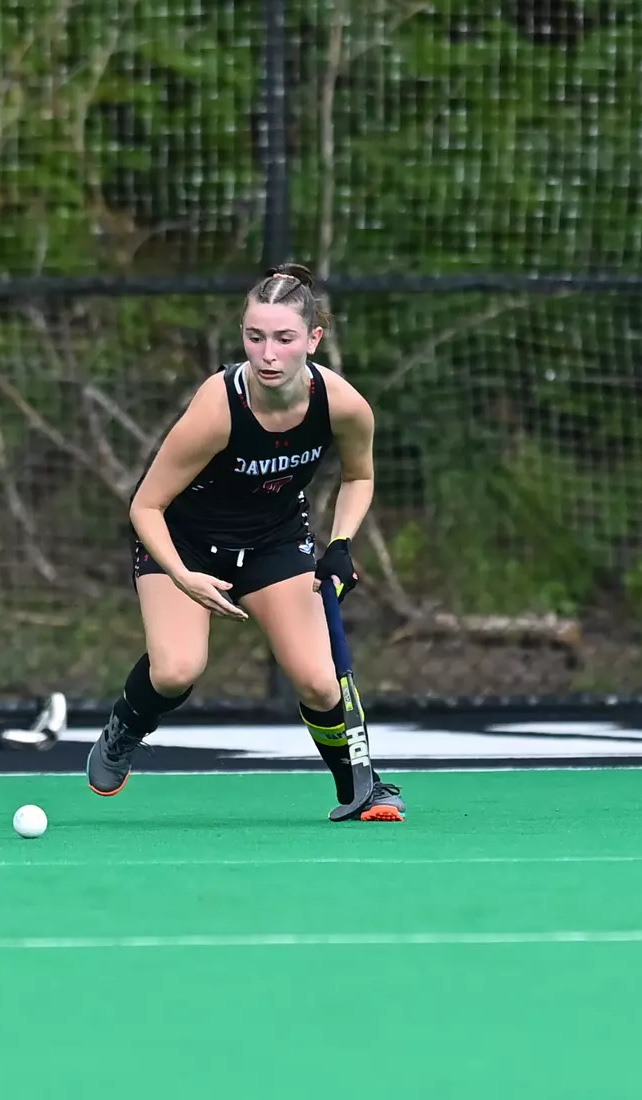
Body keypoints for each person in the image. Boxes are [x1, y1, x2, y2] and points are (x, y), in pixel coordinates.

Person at [88, 263, 405, 823]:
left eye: (284, 338)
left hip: (273, 540)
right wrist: (184, 577)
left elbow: (360, 476)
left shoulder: (344, 405)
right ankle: (124, 731)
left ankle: (361, 790)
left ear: (314, 338)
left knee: (316, 677)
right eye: (254, 337)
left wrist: (341, 543)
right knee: (177, 669)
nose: (267, 354)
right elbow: (145, 505)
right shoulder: (219, 408)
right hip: (184, 541)